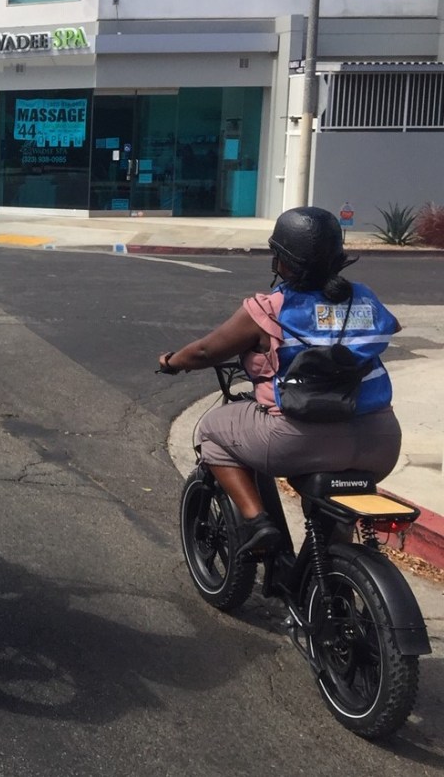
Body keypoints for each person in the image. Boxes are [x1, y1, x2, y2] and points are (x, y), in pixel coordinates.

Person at [157, 206, 401, 555]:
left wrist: (171, 362)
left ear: (283, 261)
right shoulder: (364, 298)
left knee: (212, 428)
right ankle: (331, 580)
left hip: (298, 441)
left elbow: (204, 352)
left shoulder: (270, 308)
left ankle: (259, 523)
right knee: (333, 519)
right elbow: (388, 328)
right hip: (381, 443)